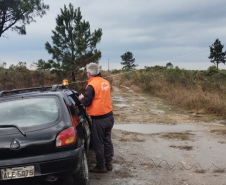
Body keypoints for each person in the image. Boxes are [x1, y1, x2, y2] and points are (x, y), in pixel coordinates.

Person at [78, 63, 114, 173]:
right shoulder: (105, 82)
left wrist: (81, 98)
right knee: (107, 140)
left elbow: (86, 102)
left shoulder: (92, 85)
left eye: (87, 73)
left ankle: (101, 166)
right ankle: (108, 163)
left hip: (99, 119)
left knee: (97, 142)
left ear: (89, 73)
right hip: (109, 116)